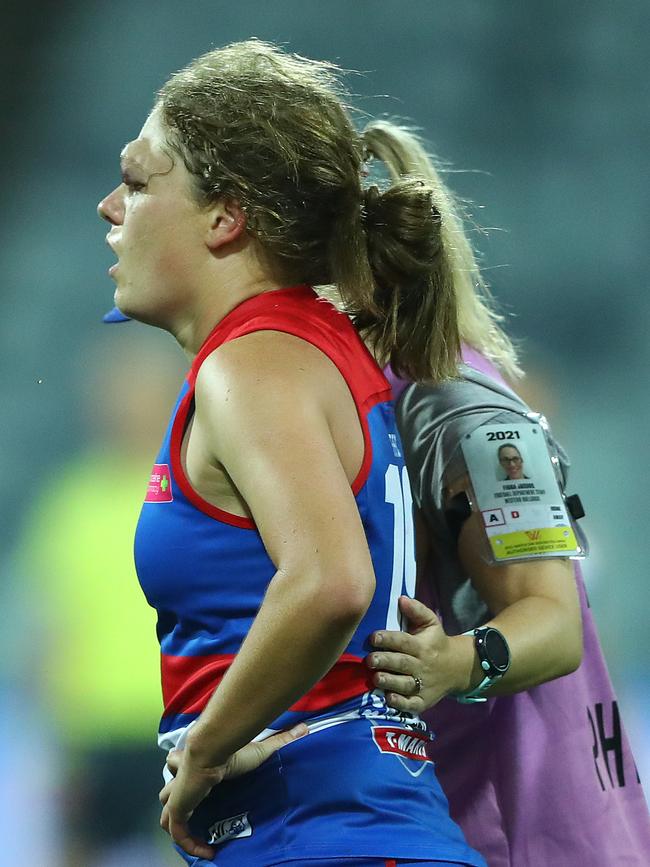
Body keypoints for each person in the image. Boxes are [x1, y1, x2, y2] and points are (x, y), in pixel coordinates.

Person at [97, 40, 485, 867]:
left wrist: (203, 750)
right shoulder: (318, 346)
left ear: (225, 216)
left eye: (136, 181)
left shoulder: (252, 364)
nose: (109, 207)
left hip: (322, 836)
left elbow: (328, 579)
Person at [362, 124, 650, 865]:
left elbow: (551, 621)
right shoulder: (364, 401)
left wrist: (456, 662)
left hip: (512, 833)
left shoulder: (459, 409)